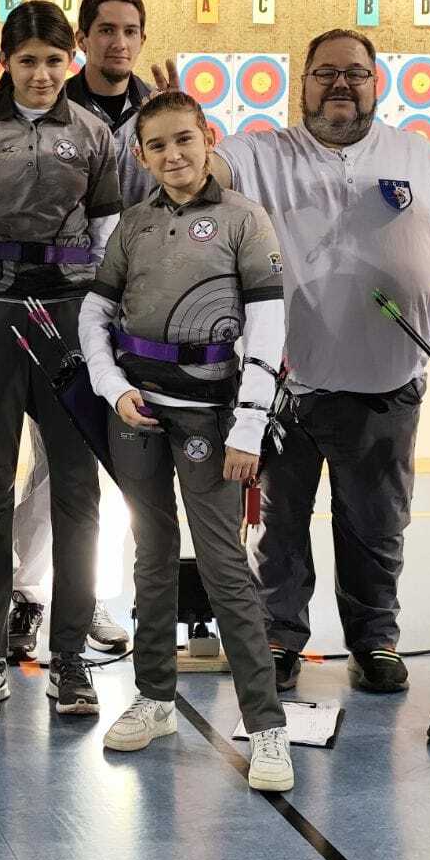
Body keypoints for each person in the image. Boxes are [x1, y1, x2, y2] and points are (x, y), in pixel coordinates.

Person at [215, 28, 430, 695]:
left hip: (386, 383)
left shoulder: (419, 156)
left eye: (356, 73)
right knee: (281, 527)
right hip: (286, 388)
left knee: (376, 526)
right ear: (302, 83)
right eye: (325, 73)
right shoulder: (259, 152)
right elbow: (208, 170)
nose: (341, 84)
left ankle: (375, 640)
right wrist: (184, 131)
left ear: (378, 83)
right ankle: (278, 637)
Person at [79, 91, 293, 789]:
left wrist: (250, 425)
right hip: (140, 414)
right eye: (157, 146)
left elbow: (267, 327)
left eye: (184, 141)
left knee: (226, 566)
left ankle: (267, 727)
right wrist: (114, 388)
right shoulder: (134, 225)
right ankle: (155, 697)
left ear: (208, 139)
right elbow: (94, 314)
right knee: (150, 556)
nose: (173, 156)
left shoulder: (243, 219)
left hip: (213, 421)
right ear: (141, 155)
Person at [0, 0, 122, 717]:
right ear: (5, 63)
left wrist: (105, 346)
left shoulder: (96, 135)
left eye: (54, 60)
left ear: (71, 58)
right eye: (27, 62)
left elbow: (108, 247)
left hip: (71, 324)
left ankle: (70, 658)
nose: (42, 75)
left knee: (78, 491)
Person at [10, 0, 160, 661]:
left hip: (137, 314)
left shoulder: (155, 114)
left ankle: (99, 600)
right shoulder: (53, 111)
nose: (118, 41)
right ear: (82, 40)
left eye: (130, 30)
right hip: (66, 306)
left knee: (121, 459)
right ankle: (31, 596)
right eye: (105, 30)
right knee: (56, 465)